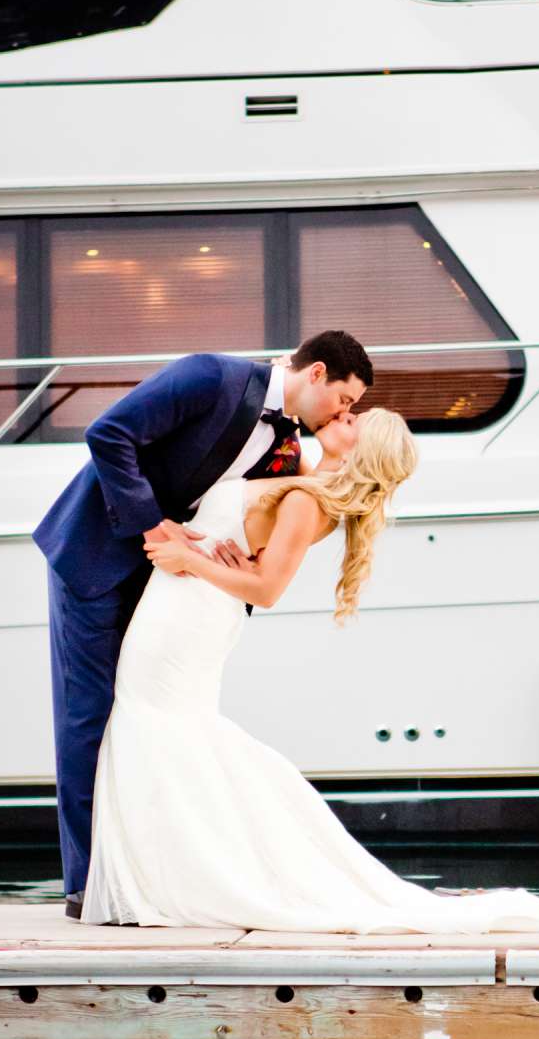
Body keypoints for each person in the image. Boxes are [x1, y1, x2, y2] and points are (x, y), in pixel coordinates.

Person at [82, 405, 539, 932]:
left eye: (352, 423)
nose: (343, 418)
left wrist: (189, 561)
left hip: (187, 614)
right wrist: (216, 556)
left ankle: (169, 879)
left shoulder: (303, 500)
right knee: (162, 727)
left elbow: (267, 590)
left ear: (361, 449)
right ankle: (167, 875)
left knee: (157, 722)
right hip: (192, 606)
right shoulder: (307, 487)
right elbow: (253, 558)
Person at [34, 331, 372, 917]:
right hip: (95, 555)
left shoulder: (290, 448)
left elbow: (257, 516)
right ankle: (88, 882)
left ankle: (144, 868)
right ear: (316, 373)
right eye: (344, 399)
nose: (345, 413)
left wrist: (238, 559)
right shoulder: (210, 376)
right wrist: (152, 524)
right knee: (88, 714)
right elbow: (108, 434)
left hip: (170, 585)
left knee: (140, 720)